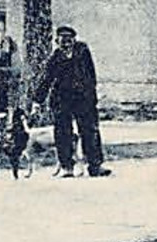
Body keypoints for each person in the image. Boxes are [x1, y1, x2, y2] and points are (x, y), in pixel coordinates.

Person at [31, 25, 110, 178]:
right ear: (57, 42)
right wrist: (37, 101)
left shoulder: (83, 52)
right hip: (62, 100)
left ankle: (95, 165)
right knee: (62, 133)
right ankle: (67, 167)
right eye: (62, 41)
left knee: (90, 130)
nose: (66, 44)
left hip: (83, 99)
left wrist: (92, 95)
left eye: (69, 41)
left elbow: (91, 75)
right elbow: (46, 80)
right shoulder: (55, 58)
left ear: (74, 40)